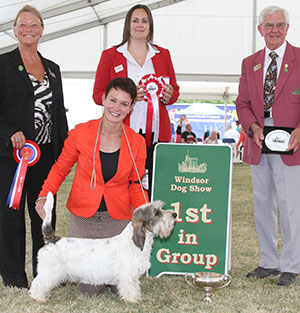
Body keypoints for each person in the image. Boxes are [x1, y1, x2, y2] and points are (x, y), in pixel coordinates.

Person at [35, 77, 149, 295]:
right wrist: (43, 195)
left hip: (117, 219)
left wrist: (142, 214)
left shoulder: (136, 142)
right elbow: (60, 169)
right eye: (113, 100)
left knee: (122, 283)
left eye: (124, 104)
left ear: (131, 107)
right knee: (89, 290)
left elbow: (136, 183)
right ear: (103, 99)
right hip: (84, 216)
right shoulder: (81, 133)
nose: (117, 108)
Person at [0, 5, 68, 289]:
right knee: (11, 216)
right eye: (22, 24)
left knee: (44, 215)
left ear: (42, 30)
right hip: (11, 156)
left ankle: (46, 274)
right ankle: (15, 277)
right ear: (14, 30)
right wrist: (9, 132)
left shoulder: (53, 68)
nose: (28, 29)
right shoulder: (3, 63)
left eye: (34, 24)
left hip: (46, 154)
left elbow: (58, 114)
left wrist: (65, 150)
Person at [236, 5, 300, 286]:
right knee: (262, 204)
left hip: (292, 144)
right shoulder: (249, 63)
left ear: (288, 28)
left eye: (279, 25)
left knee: (290, 206)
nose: (274, 30)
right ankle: (269, 261)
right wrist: (252, 127)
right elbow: (242, 103)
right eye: (269, 25)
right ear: (260, 30)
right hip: (258, 141)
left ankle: (291, 265)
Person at [92, 4, 179, 198]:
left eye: (144, 20)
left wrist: (169, 94)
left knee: (155, 189)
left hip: (158, 137)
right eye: (135, 20)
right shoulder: (111, 56)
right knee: (122, 188)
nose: (140, 25)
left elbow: (174, 93)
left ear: (150, 26)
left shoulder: (163, 55)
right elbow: (98, 94)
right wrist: (123, 99)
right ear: (128, 25)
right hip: (122, 134)